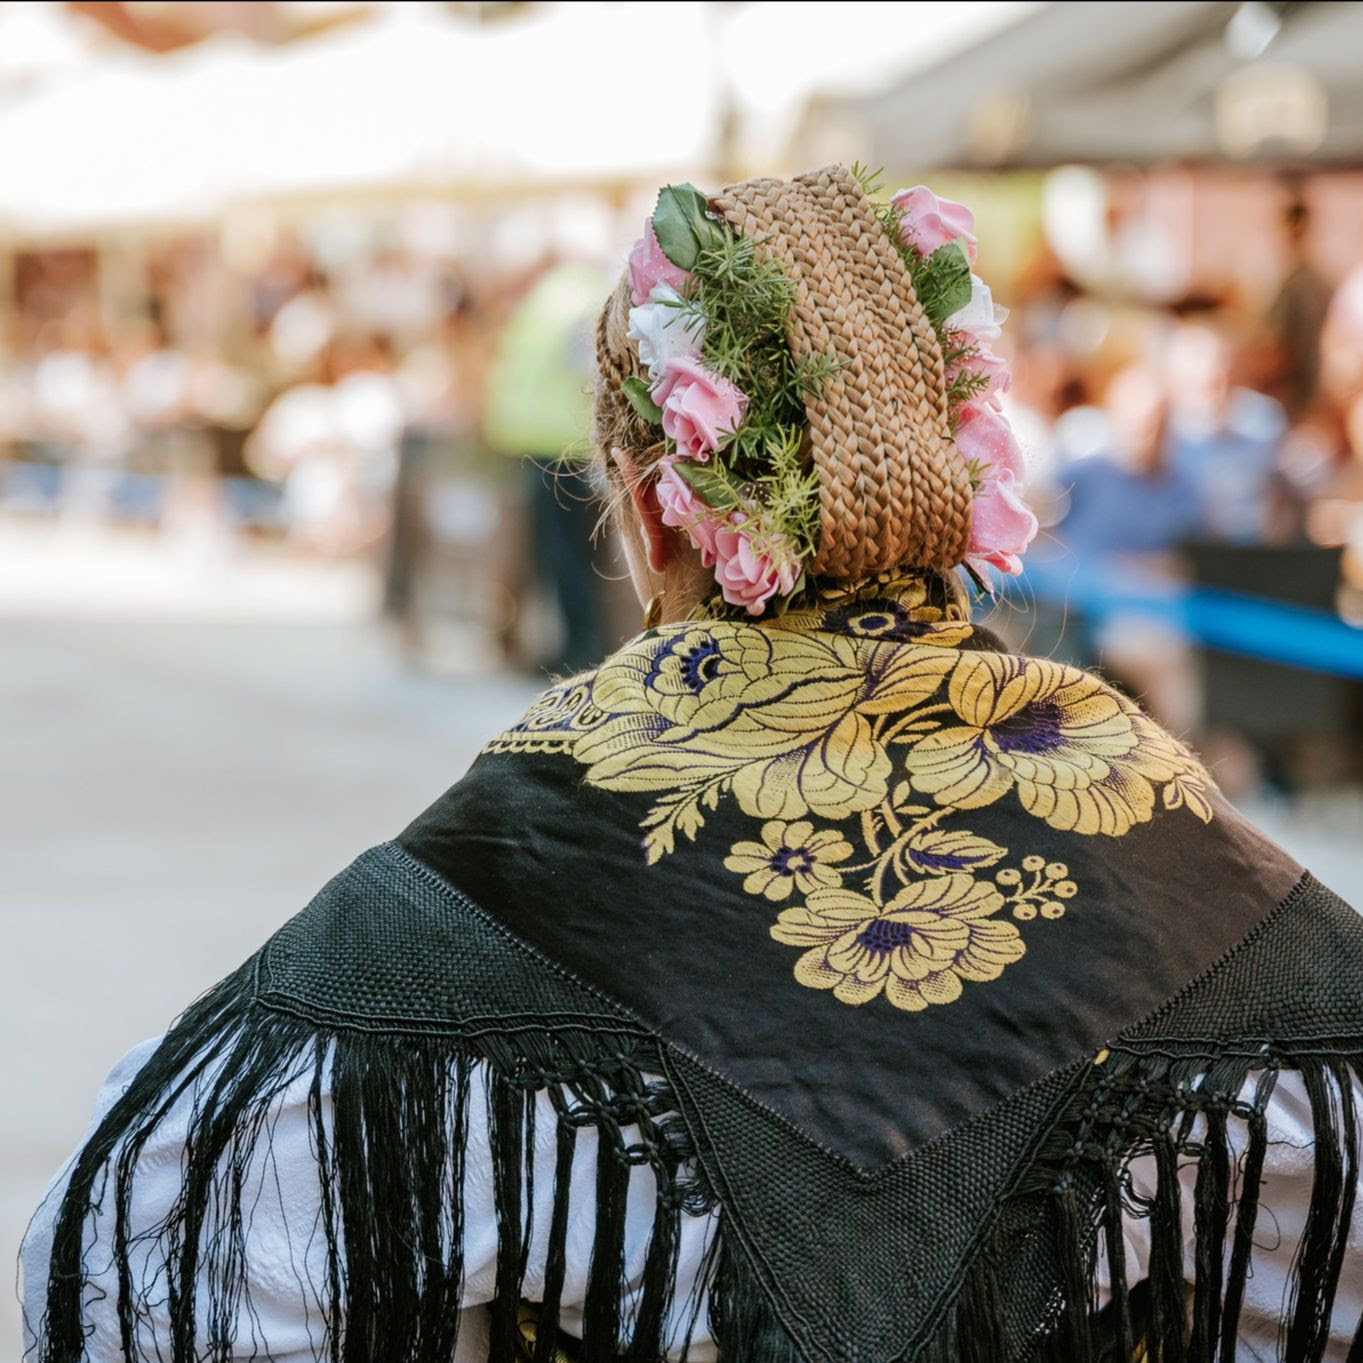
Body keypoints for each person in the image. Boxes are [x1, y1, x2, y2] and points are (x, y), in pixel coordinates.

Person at [21, 167, 1363, 1363]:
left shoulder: (546, 814)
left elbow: (153, 1254)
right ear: (964, 467)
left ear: (645, 494)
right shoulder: (1139, 788)